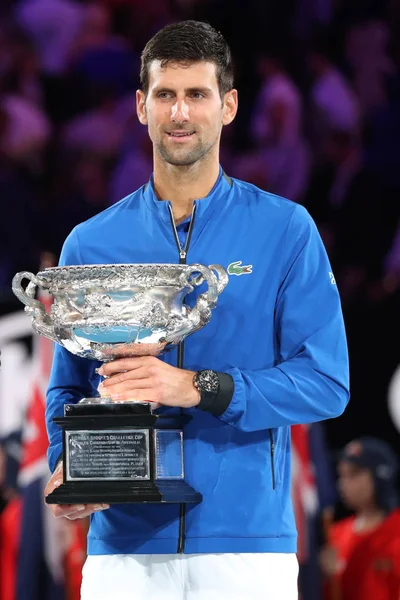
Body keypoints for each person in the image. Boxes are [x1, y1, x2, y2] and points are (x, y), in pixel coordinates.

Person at [44, 20, 349, 600]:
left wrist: (198, 387)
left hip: (247, 547)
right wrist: (70, 469)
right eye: (165, 95)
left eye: (197, 95)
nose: (180, 113)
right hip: (123, 551)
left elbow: (325, 382)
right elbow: (67, 386)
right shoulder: (90, 243)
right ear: (141, 107)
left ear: (229, 106)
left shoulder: (285, 230)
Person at [320, 437, 400, 600]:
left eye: (353, 474)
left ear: (381, 476)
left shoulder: (396, 531)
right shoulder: (334, 535)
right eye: (341, 475)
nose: (343, 483)